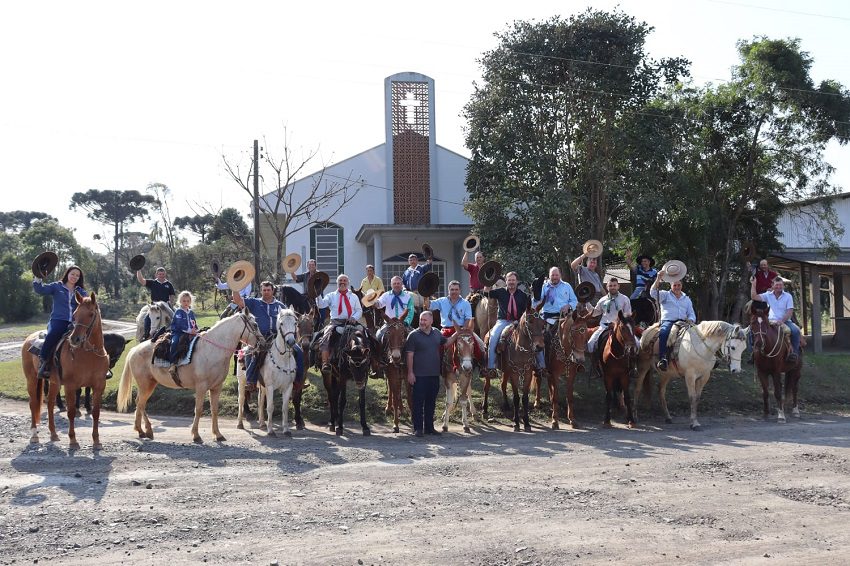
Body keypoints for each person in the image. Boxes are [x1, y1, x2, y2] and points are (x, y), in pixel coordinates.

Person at [233, 281, 306, 392]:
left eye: (268, 290)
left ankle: (298, 381)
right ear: (261, 291)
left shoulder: (280, 305)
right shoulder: (254, 302)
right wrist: (235, 288)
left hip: (279, 337)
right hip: (260, 337)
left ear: (273, 291)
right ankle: (251, 381)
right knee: (251, 353)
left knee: (299, 352)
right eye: (264, 290)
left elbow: (288, 320)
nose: (266, 292)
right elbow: (238, 300)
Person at [405, 311, 458, 437]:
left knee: (431, 403)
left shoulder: (436, 333)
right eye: (421, 320)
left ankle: (429, 428)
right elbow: (409, 356)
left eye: (425, 320)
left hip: (434, 375)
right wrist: (410, 373)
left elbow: (447, 342)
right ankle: (418, 428)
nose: (422, 322)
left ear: (431, 321)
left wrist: (458, 332)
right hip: (419, 375)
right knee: (418, 403)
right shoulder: (413, 335)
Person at [32, 266, 87, 379]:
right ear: (67, 274)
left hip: (74, 323)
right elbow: (40, 289)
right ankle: (43, 362)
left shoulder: (81, 291)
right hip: (58, 321)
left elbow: (87, 305)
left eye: (77, 275)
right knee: (53, 335)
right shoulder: (57, 286)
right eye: (73, 274)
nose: (74, 277)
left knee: (89, 338)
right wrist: (38, 277)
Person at [482, 272, 531, 374]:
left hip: (517, 322)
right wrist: (487, 285)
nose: (511, 282)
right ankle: (491, 368)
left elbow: (526, 311)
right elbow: (487, 294)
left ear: (517, 281)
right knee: (493, 337)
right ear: (506, 281)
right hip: (503, 321)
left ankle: (540, 366)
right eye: (509, 280)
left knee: (534, 336)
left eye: (513, 280)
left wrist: (519, 321)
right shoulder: (500, 292)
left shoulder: (523, 296)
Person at [316, 274, 364, 374]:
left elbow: (359, 310)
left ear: (348, 283)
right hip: (335, 323)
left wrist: (354, 318)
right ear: (337, 283)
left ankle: (372, 363)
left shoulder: (354, 296)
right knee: (325, 338)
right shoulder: (331, 295)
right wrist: (318, 292)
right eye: (340, 281)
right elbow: (321, 305)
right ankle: (325, 363)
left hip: (351, 322)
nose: (342, 282)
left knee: (367, 335)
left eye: (344, 281)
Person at [651, 268, 697, 371]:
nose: (677, 287)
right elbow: (653, 293)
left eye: (678, 285)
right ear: (671, 286)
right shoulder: (665, 295)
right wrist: (658, 278)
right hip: (668, 321)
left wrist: (691, 319)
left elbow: (691, 313)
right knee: (664, 333)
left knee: (699, 333)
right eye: (674, 285)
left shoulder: (686, 299)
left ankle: (705, 357)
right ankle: (662, 358)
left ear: (681, 286)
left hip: (684, 322)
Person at [532, 267, 578, 369]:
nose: (554, 277)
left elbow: (574, 300)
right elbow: (536, 301)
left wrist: (569, 306)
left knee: (576, 335)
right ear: (549, 276)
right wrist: (536, 296)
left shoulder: (567, 286)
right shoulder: (544, 287)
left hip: (565, 317)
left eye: (556, 275)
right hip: (548, 317)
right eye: (552, 275)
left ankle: (576, 361)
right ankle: (542, 365)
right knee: (542, 338)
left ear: (560, 275)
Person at [586, 279, 633, 377]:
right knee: (590, 344)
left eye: (614, 285)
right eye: (610, 286)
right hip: (604, 326)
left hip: (619, 327)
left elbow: (628, 315)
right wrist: (587, 302)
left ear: (618, 286)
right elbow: (595, 313)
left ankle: (632, 367)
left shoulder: (624, 299)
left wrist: (617, 323)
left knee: (636, 343)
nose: (612, 287)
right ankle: (596, 368)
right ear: (607, 287)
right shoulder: (603, 300)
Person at [750, 275, 801, 362]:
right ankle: (753, 353)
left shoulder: (788, 296)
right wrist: (753, 284)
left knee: (796, 331)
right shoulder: (767, 295)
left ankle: (794, 354)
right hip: (769, 321)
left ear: (783, 286)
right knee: (751, 330)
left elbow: (789, 311)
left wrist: (781, 321)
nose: (779, 287)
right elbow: (754, 297)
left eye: (781, 285)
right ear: (772, 286)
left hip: (784, 321)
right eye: (777, 285)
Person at [136, 266, 177, 339]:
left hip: (165, 306)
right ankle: (147, 336)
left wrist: (171, 303)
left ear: (165, 274)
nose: (161, 276)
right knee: (146, 319)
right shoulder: (152, 282)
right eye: (160, 274)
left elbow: (172, 295)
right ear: (156, 275)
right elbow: (141, 280)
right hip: (154, 306)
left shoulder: (169, 284)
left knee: (176, 316)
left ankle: (176, 333)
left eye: (163, 274)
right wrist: (138, 269)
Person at [169, 291, 199, 382]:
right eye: (184, 301)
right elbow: (179, 324)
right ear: (180, 301)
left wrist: (197, 330)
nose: (186, 303)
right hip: (179, 332)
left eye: (187, 301)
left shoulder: (191, 312)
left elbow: (194, 323)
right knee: (175, 342)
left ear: (190, 302)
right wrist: (190, 331)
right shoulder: (179, 311)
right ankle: (173, 363)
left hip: (190, 332)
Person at [375, 276, 412, 343]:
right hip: (389, 324)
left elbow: (410, 311)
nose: (396, 285)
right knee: (378, 336)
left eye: (398, 283)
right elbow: (379, 304)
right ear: (391, 285)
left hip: (403, 323)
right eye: (394, 283)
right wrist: (374, 302)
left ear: (402, 285)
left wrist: (406, 322)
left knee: (413, 337)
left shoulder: (408, 296)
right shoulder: (386, 295)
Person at [295, 258, 328, 324]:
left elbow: (323, 281)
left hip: (317, 297)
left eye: (312, 265)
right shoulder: (305, 275)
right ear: (307, 266)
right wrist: (291, 271)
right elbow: (295, 278)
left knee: (321, 310)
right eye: (309, 265)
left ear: (315, 266)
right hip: (307, 297)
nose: (311, 266)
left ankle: (321, 323)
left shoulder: (319, 274)